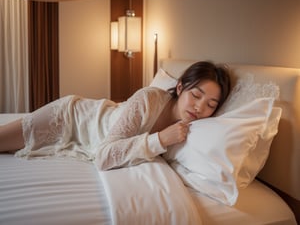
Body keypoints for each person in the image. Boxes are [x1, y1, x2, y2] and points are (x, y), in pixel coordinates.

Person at [0, 61, 231, 170]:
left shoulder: (194, 126)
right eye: (196, 95)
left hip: (84, 132)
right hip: (72, 117)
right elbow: (103, 156)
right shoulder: (149, 98)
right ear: (180, 87)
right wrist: (160, 139)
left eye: (211, 104)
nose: (200, 108)